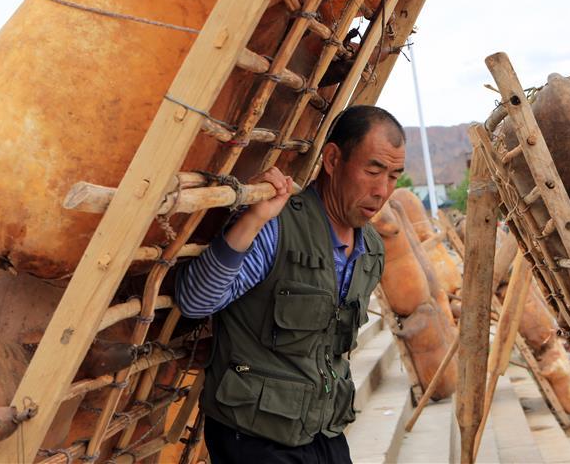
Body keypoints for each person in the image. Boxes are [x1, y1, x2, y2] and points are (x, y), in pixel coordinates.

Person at [174, 105, 406, 463]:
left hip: (322, 429)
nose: (382, 190)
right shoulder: (277, 226)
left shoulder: (370, 248)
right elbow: (196, 302)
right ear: (332, 159)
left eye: (393, 176)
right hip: (254, 433)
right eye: (373, 170)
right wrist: (254, 218)